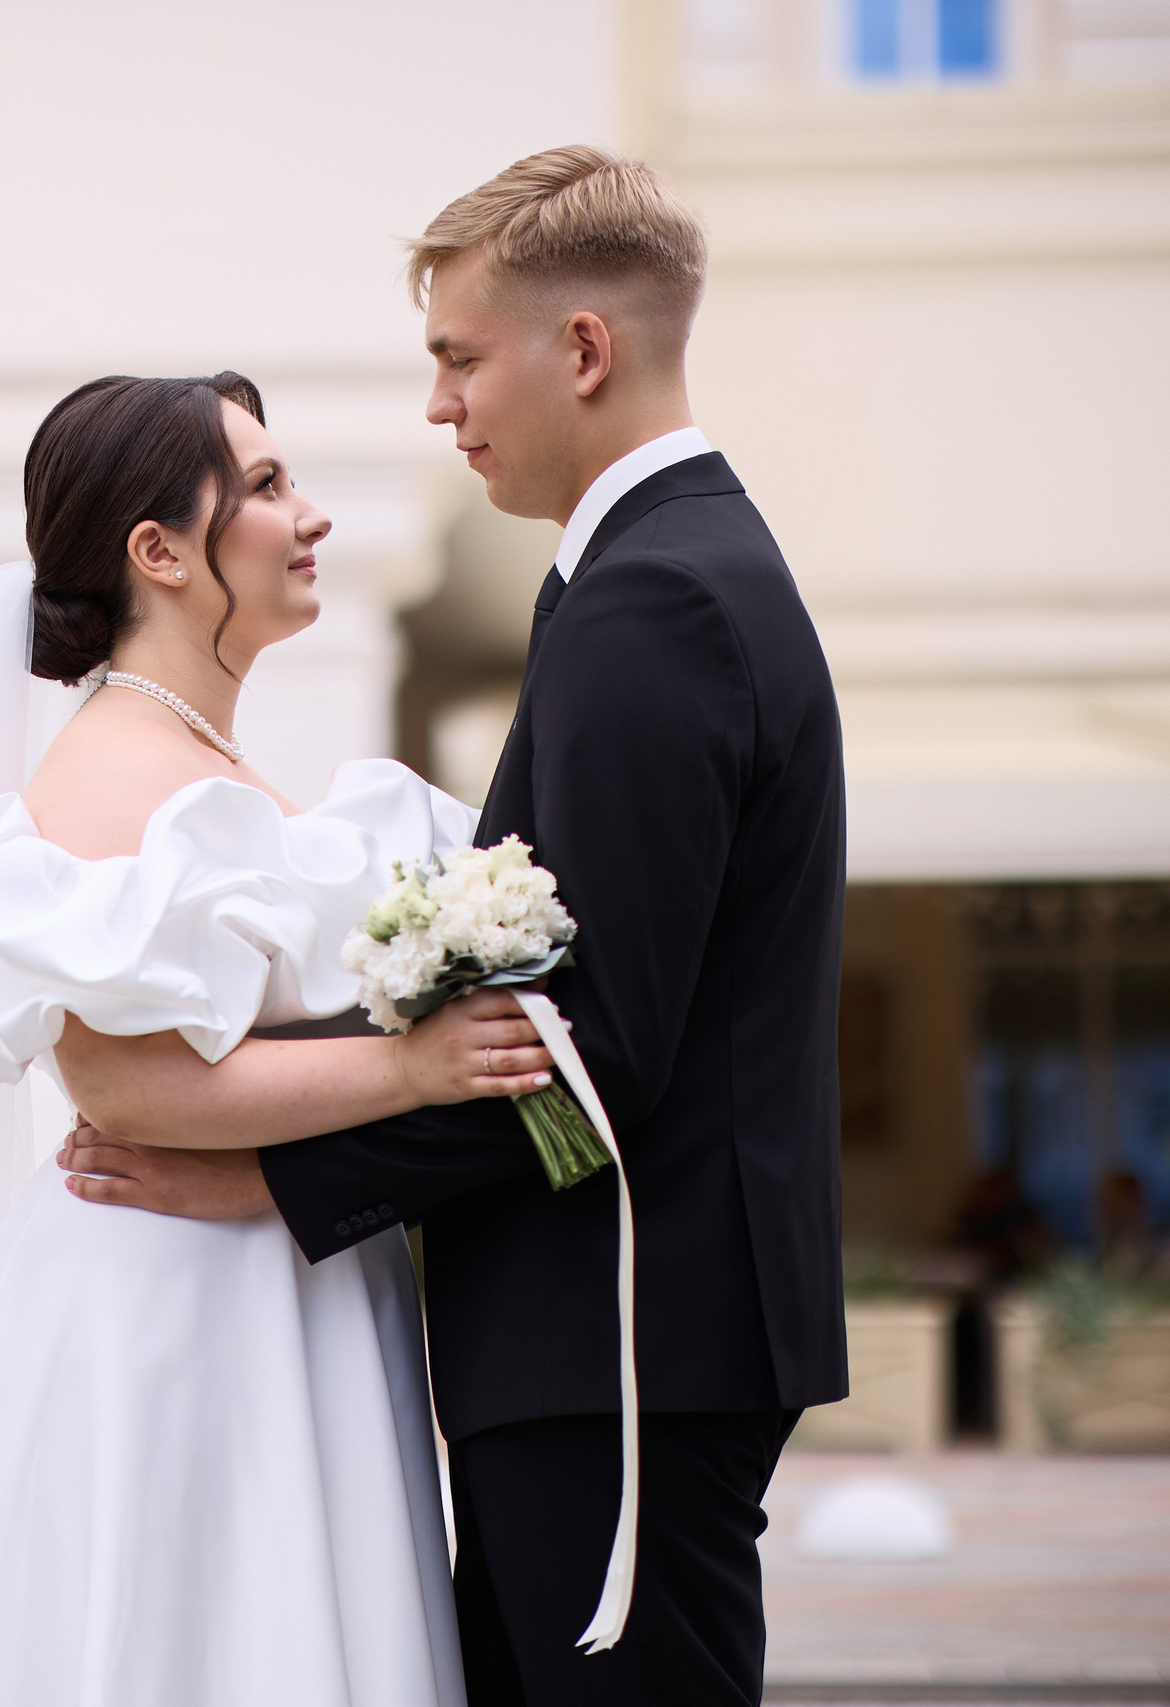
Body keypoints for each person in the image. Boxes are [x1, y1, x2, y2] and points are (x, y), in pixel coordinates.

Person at [62, 147, 850, 1705]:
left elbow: (586, 1037)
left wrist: (269, 1180)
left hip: (622, 1330)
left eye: (459, 358)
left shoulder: (658, 599)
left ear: (583, 349)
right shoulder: (652, 574)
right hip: (611, 1335)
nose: (440, 407)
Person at [0, 369, 555, 1705]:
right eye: (266, 487)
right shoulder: (110, 774)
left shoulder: (198, 760)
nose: (310, 517)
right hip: (174, 1306)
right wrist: (414, 1067)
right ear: (161, 552)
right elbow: (126, 1085)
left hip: (269, 1278)